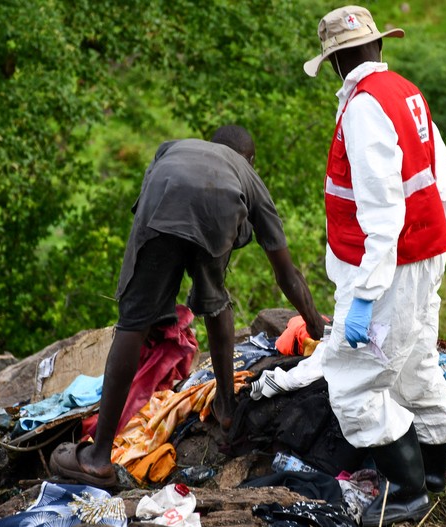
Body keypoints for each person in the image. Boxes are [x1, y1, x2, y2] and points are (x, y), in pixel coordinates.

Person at [49, 126, 326, 488]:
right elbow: (287, 274)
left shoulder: (173, 148)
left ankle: (99, 458)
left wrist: (149, 311)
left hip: (162, 200)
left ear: (211, 146)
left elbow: (154, 204)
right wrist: (318, 330)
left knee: (133, 324)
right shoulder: (247, 176)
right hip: (220, 209)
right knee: (215, 302)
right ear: (250, 160)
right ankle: (227, 408)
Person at [303, 6, 446, 526]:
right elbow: (444, 178)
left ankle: (407, 492)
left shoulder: (366, 109)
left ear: (333, 62)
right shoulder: (403, 92)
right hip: (418, 257)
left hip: (388, 268)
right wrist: (436, 251)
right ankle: (433, 475)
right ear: (376, 48)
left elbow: (382, 211)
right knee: (415, 363)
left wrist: (367, 294)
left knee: (352, 385)